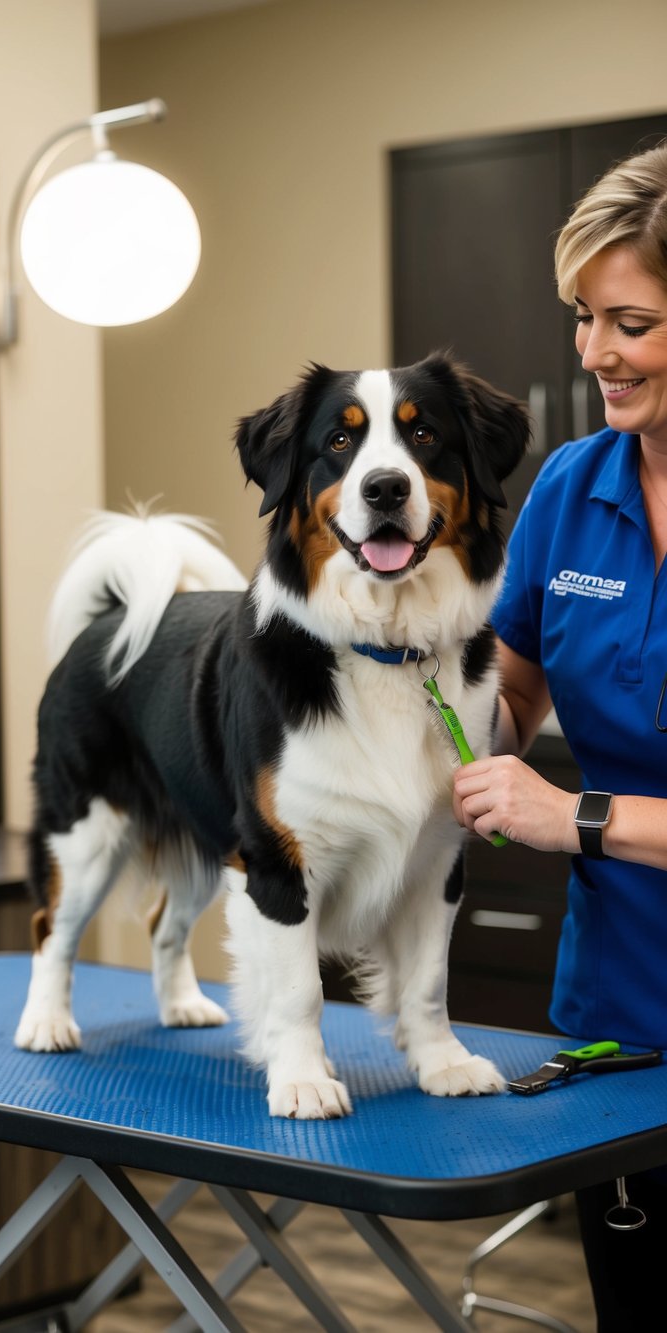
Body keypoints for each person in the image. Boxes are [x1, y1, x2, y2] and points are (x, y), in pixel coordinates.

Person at [452, 142, 667, 1332]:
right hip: (621, 1021)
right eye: (584, 317)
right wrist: (435, 730)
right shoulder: (572, 486)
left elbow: (564, 798)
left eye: (628, 320)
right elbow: (516, 687)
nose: (590, 354)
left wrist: (571, 813)